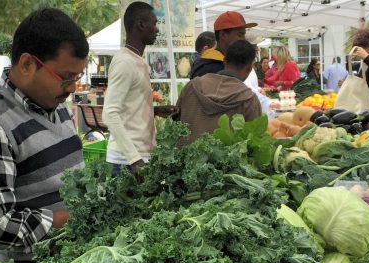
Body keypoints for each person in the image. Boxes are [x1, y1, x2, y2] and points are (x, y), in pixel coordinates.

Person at [0, 8, 88, 263]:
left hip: (75, 257)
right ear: (27, 64)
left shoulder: (55, 103)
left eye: (77, 77)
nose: (72, 88)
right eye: (66, 77)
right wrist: (70, 219)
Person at [103, 2, 175, 176]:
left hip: (136, 158)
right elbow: (109, 114)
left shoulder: (137, 60)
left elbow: (129, 108)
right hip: (127, 161)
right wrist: (135, 160)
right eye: (154, 23)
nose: (157, 29)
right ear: (141, 25)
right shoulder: (125, 62)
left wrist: (154, 110)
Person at [176, 40, 262, 144]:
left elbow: (175, 122)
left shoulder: (192, 86)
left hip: (184, 158)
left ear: (224, 61)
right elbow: (254, 142)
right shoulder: (249, 100)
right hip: (230, 160)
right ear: (249, 68)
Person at [190, 11, 257, 79]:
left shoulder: (204, 62)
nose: (244, 40)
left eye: (244, 35)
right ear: (223, 35)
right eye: (240, 35)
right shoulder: (213, 69)